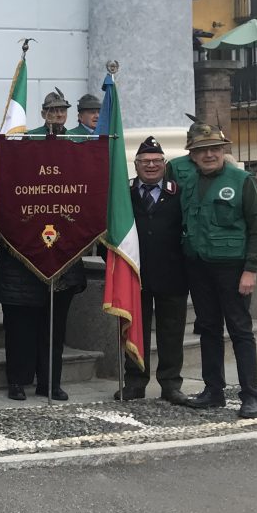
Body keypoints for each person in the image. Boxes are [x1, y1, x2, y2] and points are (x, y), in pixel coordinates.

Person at [171, 122, 257, 419]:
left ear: (224, 151)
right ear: (193, 155)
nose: (209, 154)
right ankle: (214, 391)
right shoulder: (188, 183)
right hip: (198, 267)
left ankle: (250, 396)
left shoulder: (242, 180)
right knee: (208, 329)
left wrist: (250, 269)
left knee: (240, 330)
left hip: (232, 268)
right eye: (202, 150)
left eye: (214, 149)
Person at [113, 137, 189, 405]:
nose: (151, 166)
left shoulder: (178, 193)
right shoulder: (124, 194)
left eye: (156, 161)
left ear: (164, 164)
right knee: (135, 331)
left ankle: (170, 384)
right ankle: (135, 382)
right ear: (136, 165)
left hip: (172, 274)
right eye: (145, 162)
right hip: (135, 275)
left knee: (172, 332)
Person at [0, 246, 85, 402]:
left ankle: (49, 382)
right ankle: (18, 380)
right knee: (20, 329)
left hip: (62, 270)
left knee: (53, 331)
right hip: (21, 267)